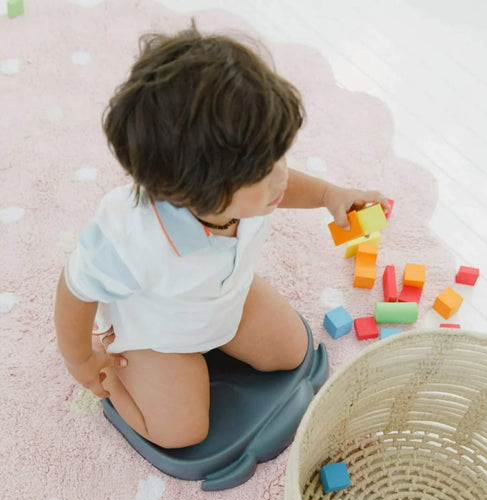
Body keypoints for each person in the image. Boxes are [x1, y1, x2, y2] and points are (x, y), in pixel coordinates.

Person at [54, 21, 388, 450]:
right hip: (159, 337)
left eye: (279, 156)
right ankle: (122, 382)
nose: (281, 176)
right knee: (181, 432)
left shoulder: (253, 189)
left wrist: (330, 195)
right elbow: (75, 288)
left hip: (225, 301)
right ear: (199, 191)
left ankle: (224, 311)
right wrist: (80, 358)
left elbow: (282, 185)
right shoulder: (130, 235)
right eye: (265, 173)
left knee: (292, 353)